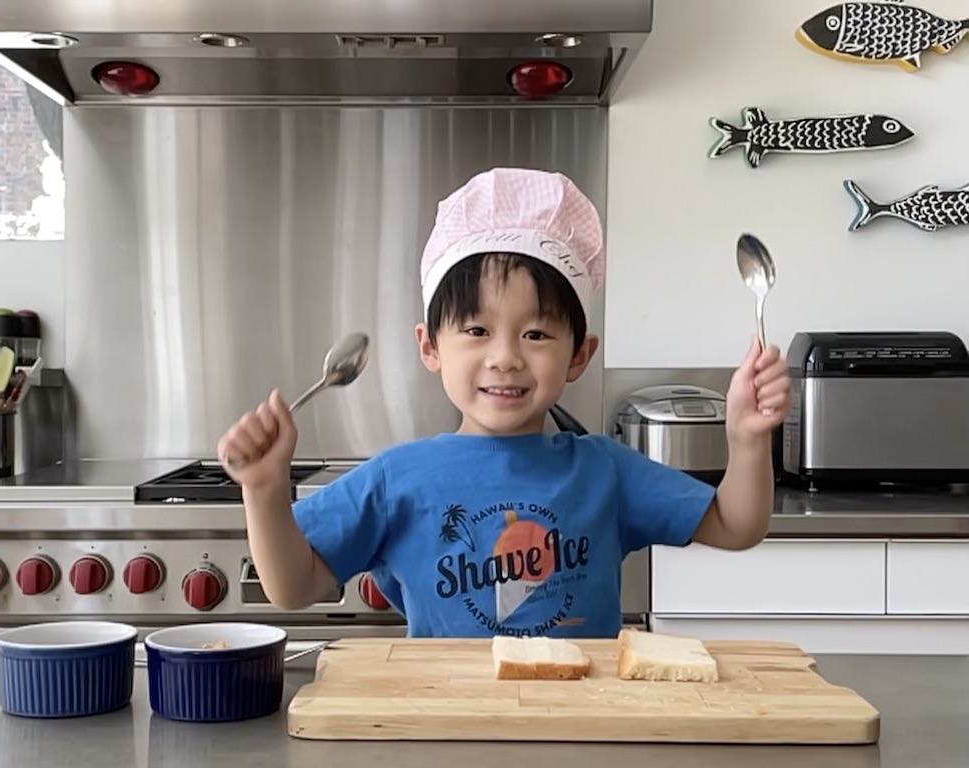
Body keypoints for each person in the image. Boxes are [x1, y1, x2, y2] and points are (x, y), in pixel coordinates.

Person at [217, 167, 792, 639]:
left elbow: (735, 525)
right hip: (450, 735)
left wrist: (746, 439)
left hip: (583, 733)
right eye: (476, 330)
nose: (505, 357)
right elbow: (294, 588)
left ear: (579, 355)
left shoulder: (603, 469)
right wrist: (265, 491)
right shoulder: (398, 478)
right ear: (430, 346)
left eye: (536, 335)